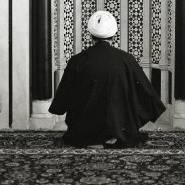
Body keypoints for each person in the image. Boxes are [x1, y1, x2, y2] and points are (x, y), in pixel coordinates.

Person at [49, 11, 166, 148]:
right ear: (114, 34)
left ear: (90, 34)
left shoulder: (77, 61)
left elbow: (63, 99)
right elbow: (146, 93)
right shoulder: (127, 59)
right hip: (118, 128)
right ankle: (113, 137)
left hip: (83, 131)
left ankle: (93, 139)